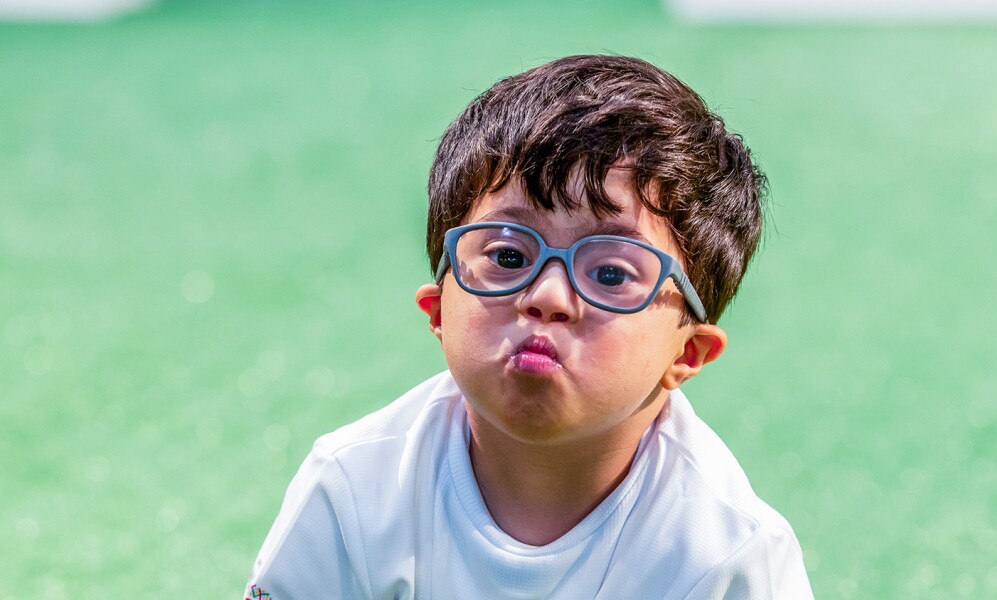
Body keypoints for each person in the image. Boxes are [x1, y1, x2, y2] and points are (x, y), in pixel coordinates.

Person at [245, 54, 813, 599]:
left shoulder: (727, 554)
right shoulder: (353, 490)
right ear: (438, 311)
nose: (546, 297)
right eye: (509, 256)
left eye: (611, 272)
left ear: (686, 354)